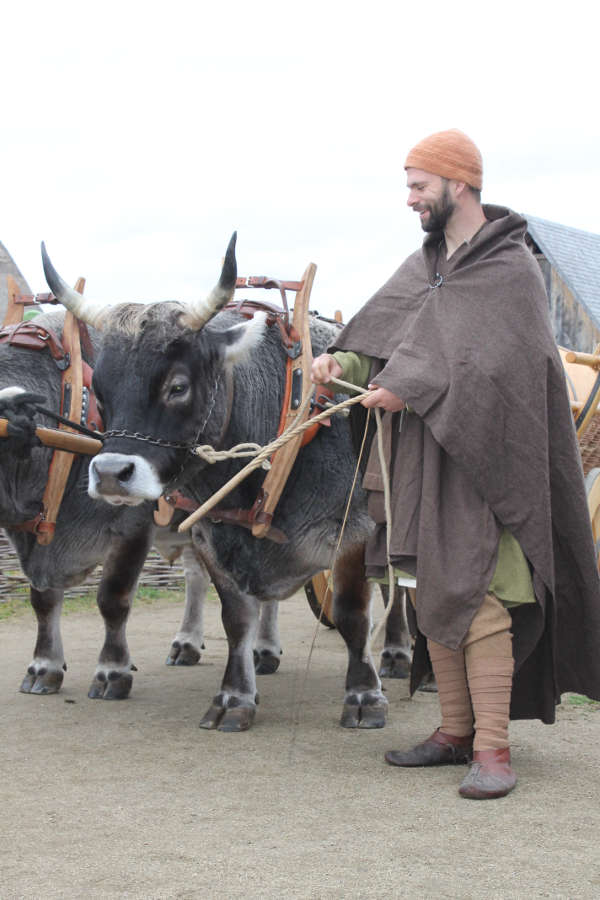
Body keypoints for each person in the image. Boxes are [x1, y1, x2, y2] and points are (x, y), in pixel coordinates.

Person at [311, 129, 600, 800]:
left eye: (419, 185)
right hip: (422, 460)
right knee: (430, 591)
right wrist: (344, 363)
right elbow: (390, 338)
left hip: (490, 463)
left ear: (459, 184)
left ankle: (494, 751)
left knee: (487, 595)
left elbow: (506, 365)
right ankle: (452, 731)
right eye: (408, 185)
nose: (409, 199)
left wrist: (411, 384)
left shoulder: (511, 269)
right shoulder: (424, 268)